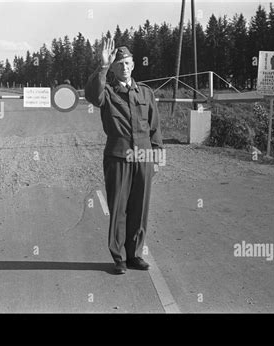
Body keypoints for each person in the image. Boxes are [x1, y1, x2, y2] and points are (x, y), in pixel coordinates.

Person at [85, 38, 163, 274]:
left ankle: (135, 255)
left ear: (133, 65)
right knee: (118, 208)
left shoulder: (146, 93)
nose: (124, 67)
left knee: (139, 207)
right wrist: (103, 66)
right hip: (118, 157)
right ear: (114, 68)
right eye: (119, 64)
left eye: (127, 63)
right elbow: (92, 96)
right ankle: (119, 258)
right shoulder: (107, 92)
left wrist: (157, 157)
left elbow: (155, 127)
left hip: (143, 157)